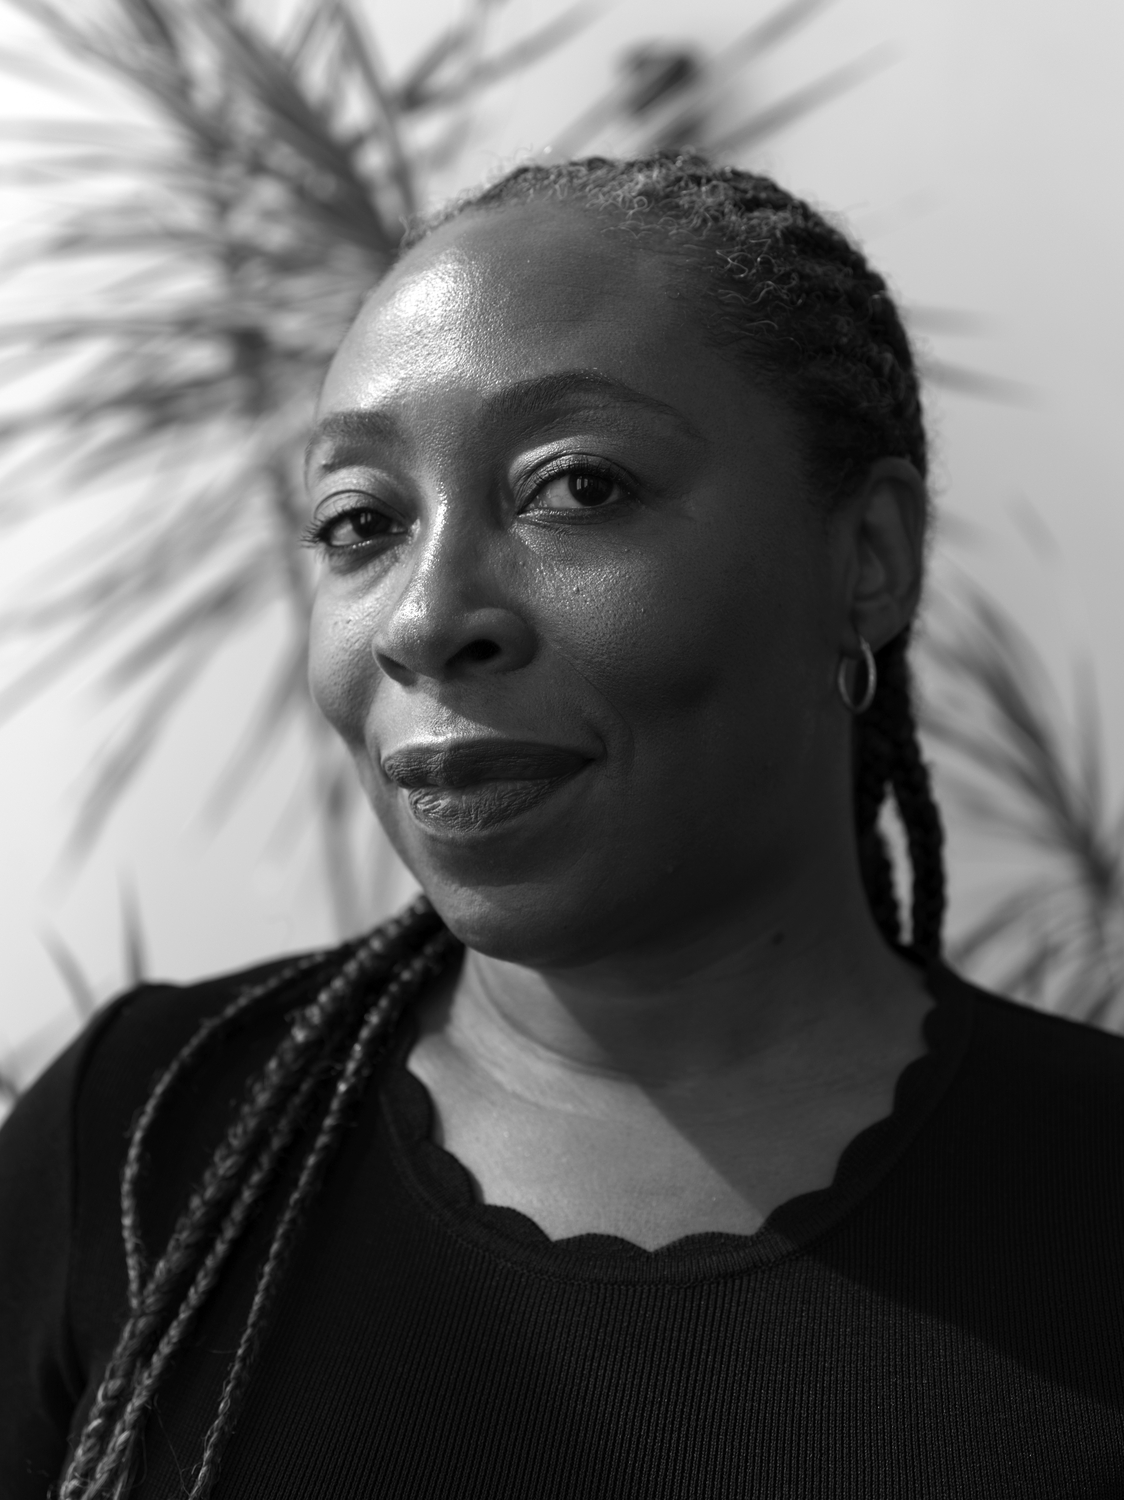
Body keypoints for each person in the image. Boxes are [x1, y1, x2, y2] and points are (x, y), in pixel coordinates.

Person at [2, 153, 1123, 1500]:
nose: (426, 618)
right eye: (360, 521)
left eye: (576, 487)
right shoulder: (150, 1134)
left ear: (868, 557)